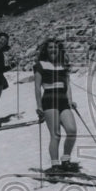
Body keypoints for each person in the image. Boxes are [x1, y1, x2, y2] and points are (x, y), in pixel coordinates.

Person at [34, 38, 79, 173]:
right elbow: (37, 87)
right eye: (50, 48)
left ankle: (65, 160)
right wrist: (39, 106)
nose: (53, 50)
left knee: (72, 131)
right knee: (56, 135)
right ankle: (55, 165)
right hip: (49, 100)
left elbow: (68, 85)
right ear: (46, 50)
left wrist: (70, 100)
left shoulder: (63, 65)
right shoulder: (40, 65)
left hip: (63, 100)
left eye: (55, 47)